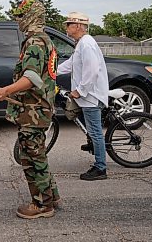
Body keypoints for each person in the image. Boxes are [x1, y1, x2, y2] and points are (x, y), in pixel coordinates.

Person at [0, 0, 60, 219]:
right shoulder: (44, 40)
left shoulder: (35, 43)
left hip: (34, 111)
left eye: (20, 17)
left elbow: (31, 78)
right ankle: (52, 195)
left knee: (31, 155)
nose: (17, 21)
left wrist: (6, 91)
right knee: (36, 153)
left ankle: (42, 205)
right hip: (38, 108)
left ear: (31, 17)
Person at [57, 12, 109, 181]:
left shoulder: (86, 44)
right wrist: (52, 72)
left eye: (68, 24)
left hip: (90, 96)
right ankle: (94, 148)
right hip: (88, 95)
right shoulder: (81, 44)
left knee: (95, 132)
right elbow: (71, 64)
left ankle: (100, 168)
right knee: (92, 130)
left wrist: (80, 90)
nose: (66, 28)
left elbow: (92, 70)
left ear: (78, 26)